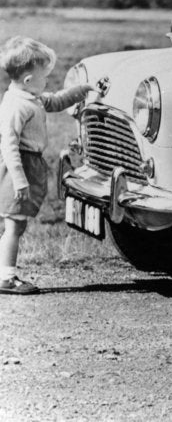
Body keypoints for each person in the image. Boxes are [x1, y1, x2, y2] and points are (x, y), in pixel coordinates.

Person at [0, 37, 94, 294]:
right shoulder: (17, 106)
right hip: (18, 166)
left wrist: (82, 90)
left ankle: (4, 273)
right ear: (29, 80)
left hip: (29, 163)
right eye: (45, 78)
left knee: (16, 224)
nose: (48, 83)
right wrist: (19, 180)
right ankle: (6, 278)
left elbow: (55, 101)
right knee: (14, 225)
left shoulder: (31, 96)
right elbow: (8, 147)